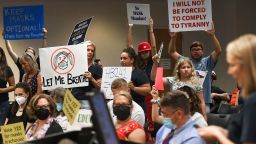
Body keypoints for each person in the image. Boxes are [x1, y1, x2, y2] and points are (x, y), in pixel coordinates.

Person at [198, 34, 256, 144]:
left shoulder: (253, 101)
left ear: (248, 65)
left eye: (233, 65)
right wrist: (220, 131)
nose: (230, 71)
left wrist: (217, 134)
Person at [168, 23, 222, 112]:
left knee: (203, 124)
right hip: (187, 102)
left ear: (202, 51)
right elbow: (171, 51)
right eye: (193, 50)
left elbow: (218, 50)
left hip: (203, 101)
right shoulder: (185, 62)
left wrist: (212, 35)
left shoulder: (207, 62)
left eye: (198, 49)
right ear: (190, 52)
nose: (196, 52)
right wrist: (173, 37)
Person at [71, 40, 102, 109]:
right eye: (88, 50)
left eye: (92, 51)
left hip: (88, 101)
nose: (90, 52)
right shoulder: (74, 65)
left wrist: (91, 79)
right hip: (73, 100)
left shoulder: (97, 67)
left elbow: (100, 87)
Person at [0, 47, 15, 125]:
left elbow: (13, 86)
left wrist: (2, 90)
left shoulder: (7, 69)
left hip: (2, 103)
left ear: (1, 55)